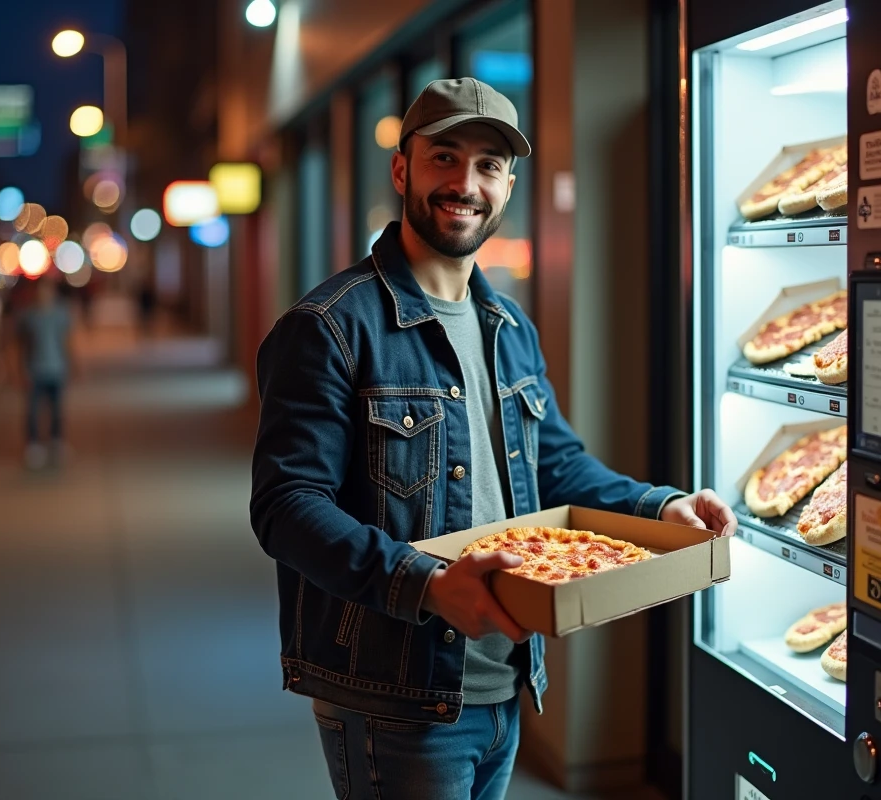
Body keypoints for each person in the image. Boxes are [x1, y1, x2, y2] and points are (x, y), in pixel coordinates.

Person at [249, 77, 736, 800]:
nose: (465, 184)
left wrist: (657, 508)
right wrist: (429, 586)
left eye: (488, 165)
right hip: (397, 696)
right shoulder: (330, 326)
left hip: (506, 681)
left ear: (508, 185)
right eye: (445, 157)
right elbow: (286, 506)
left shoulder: (508, 326)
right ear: (402, 168)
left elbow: (555, 462)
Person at [7, 275, 77, 470]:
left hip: (56, 369)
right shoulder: (27, 315)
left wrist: (73, 364)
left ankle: (56, 440)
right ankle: (34, 445)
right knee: (32, 411)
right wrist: (16, 370)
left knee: (56, 409)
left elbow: (67, 341)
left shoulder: (61, 313)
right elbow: (17, 345)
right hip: (34, 370)